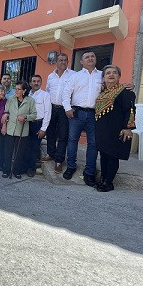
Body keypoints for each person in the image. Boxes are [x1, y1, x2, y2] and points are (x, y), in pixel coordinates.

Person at [62, 51, 102, 186]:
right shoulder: (75, 76)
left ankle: (89, 172)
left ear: (95, 59)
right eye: (87, 57)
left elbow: (114, 88)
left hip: (94, 114)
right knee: (72, 140)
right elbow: (66, 92)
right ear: (81, 62)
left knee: (93, 143)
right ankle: (71, 166)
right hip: (76, 113)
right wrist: (67, 108)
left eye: (92, 56)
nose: (90, 58)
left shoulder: (102, 75)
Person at [95, 65, 136, 192]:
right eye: (108, 73)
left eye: (114, 73)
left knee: (113, 155)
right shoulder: (102, 92)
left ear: (119, 77)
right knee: (104, 154)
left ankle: (109, 182)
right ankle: (103, 178)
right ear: (104, 78)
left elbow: (130, 111)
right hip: (103, 129)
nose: (111, 75)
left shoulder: (125, 92)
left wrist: (127, 128)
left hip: (117, 129)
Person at [45, 53, 74, 173]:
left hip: (64, 109)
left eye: (65, 60)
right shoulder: (50, 76)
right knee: (50, 132)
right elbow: (47, 91)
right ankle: (51, 153)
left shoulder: (73, 75)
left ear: (67, 62)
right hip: (51, 107)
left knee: (63, 135)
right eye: (60, 60)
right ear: (56, 62)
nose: (63, 62)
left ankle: (59, 160)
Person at [1, 80, 37, 179]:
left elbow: (34, 115)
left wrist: (25, 117)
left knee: (19, 152)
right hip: (10, 128)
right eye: (15, 89)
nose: (16, 91)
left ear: (24, 90)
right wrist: (4, 122)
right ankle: (6, 170)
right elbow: (6, 112)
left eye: (18, 89)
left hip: (22, 130)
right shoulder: (11, 99)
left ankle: (16, 171)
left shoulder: (30, 101)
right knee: (8, 151)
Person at [27, 75, 51, 177]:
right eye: (34, 81)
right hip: (27, 123)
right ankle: (23, 166)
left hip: (38, 124)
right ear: (30, 83)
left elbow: (47, 112)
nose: (36, 83)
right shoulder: (27, 95)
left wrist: (43, 128)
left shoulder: (45, 95)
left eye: (38, 81)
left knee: (34, 147)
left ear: (41, 83)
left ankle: (31, 168)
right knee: (25, 146)